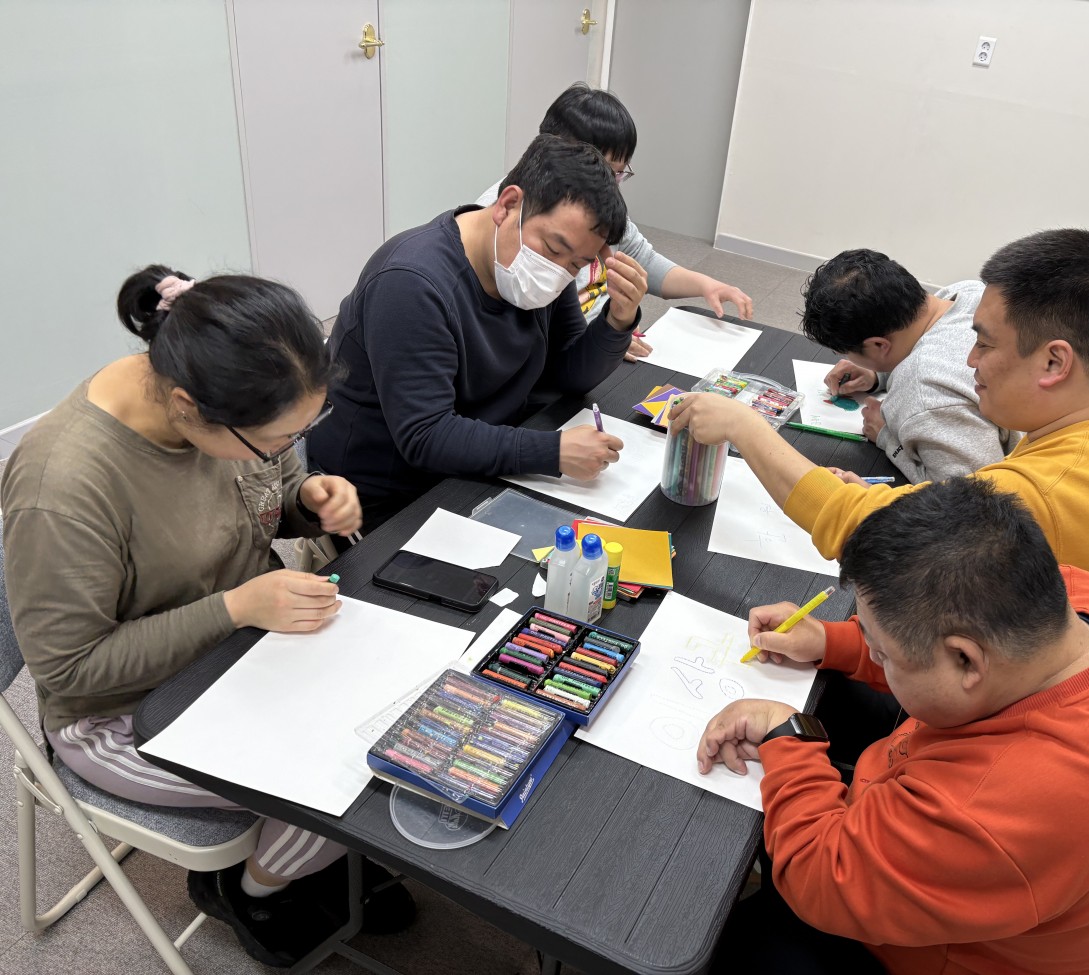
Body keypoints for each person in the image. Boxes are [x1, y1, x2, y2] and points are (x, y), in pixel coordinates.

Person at [0, 266, 411, 968]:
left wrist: (310, 497)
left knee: (399, 717)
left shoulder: (228, 394)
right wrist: (235, 607)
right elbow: (71, 668)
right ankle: (250, 890)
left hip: (243, 646)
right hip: (121, 713)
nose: (286, 449)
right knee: (343, 781)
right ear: (189, 408)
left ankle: (302, 860)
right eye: (276, 439)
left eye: (300, 433)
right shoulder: (64, 486)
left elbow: (269, 487)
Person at [699, 478, 1089, 974]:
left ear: (966, 660)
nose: (874, 655)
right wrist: (833, 642)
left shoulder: (999, 804)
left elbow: (820, 879)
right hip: (999, 882)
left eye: (883, 652)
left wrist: (788, 733)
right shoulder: (1082, 605)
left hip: (928, 951)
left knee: (714, 936)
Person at [669, 228, 1089, 613]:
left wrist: (746, 427)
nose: (970, 361)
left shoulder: (1036, 496)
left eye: (985, 344)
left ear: (1054, 362)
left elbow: (855, 522)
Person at [310, 133, 648, 528]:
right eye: (554, 249)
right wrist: (552, 451)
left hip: (479, 454)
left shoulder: (536, 269)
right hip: (384, 495)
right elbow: (426, 435)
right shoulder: (411, 283)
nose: (558, 272)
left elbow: (570, 375)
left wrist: (617, 320)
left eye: (576, 264)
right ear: (508, 205)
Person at [476, 83, 753, 361]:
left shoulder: (597, 205)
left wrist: (706, 286)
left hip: (599, 343)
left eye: (619, 174)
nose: (611, 185)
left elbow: (643, 259)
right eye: (606, 171)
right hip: (564, 353)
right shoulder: (507, 220)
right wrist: (607, 337)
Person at [803, 249, 1016, 482]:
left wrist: (886, 437)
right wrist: (878, 374)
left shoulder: (923, 392)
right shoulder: (967, 292)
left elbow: (972, 492)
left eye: (846, 353)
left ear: (878, 345)